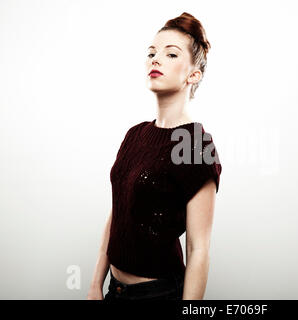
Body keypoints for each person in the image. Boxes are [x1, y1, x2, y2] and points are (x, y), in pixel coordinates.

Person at [87, 12, 222, 301]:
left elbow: (199, 250)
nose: (155, 59)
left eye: (171, 54)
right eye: (152, 52)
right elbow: (118, 210)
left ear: (193, 74)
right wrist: (95, 284)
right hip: (114, 289)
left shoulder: (195, 144)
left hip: (157, 294)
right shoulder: (135, 134)